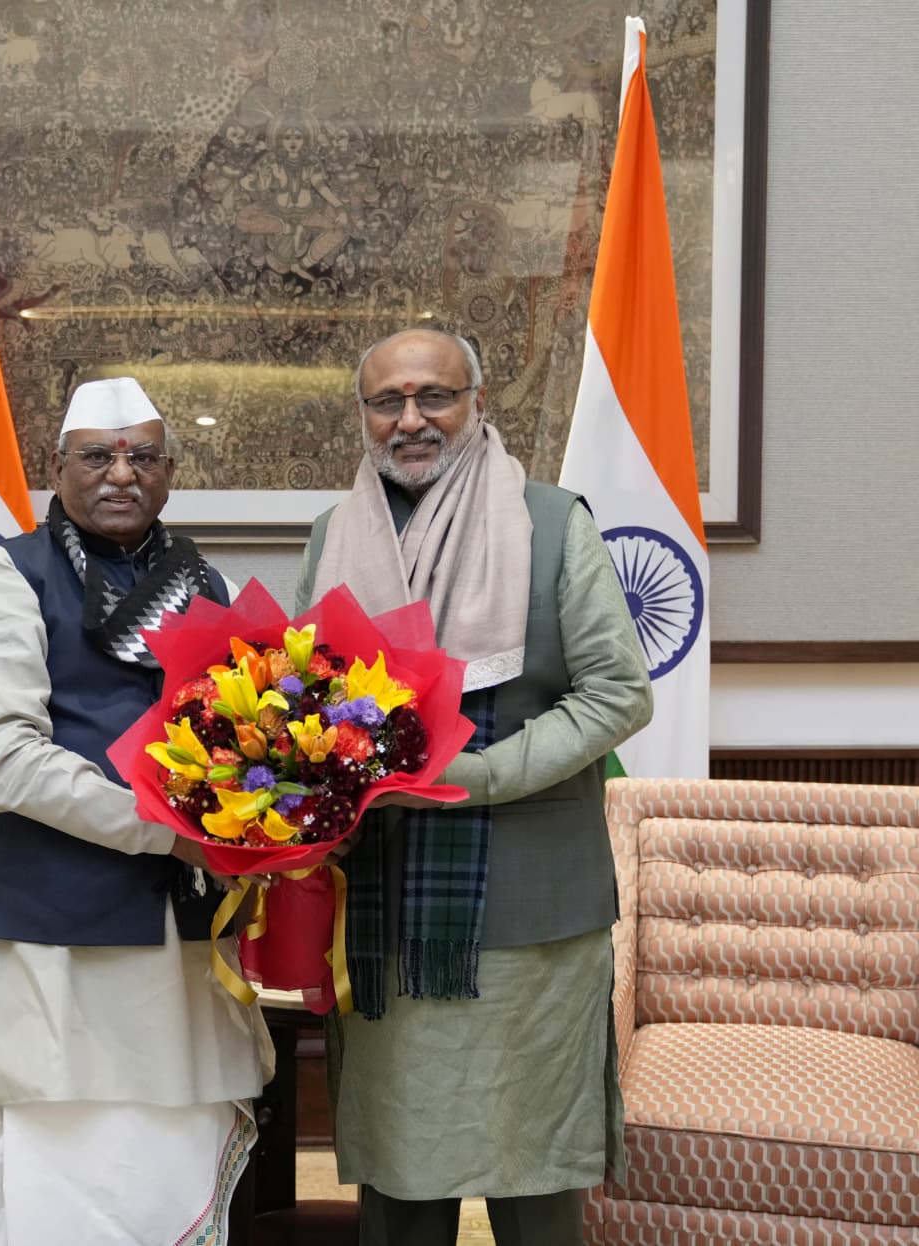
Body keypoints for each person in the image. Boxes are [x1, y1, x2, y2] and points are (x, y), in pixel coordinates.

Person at [294, 328, 653, 1246]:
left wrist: (480, 777)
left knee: (533, 1186)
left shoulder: (551, 521)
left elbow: (618, 693)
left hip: (529, 918)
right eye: (387, 402)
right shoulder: (335, 537)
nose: (411, 420)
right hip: (381, 917)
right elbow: (302, 703)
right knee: (402, 1189)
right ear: (365, 417)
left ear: (478, 403)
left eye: (435, 396)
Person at [0, 376, 272, 1245]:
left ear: (169, 472)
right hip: (56, 946)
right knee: (63, 1178)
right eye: (99, 456)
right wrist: (176, 829)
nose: (121, 473)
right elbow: (8, 759)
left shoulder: (205, 579)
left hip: (184, 943)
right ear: (59, 467)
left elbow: (242, 732)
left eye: (143, 456)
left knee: (176, 1163)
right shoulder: (7, 575)